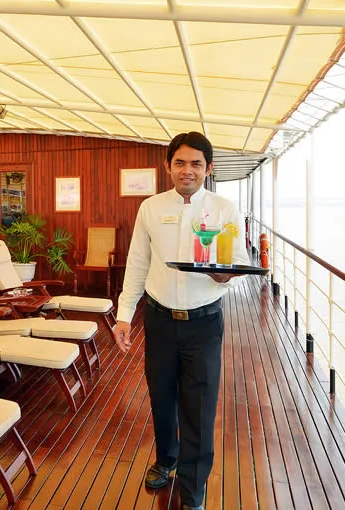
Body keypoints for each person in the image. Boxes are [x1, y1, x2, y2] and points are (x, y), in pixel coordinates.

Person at [113, 132, 249, 510]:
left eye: (196, 164)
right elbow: (137, 263)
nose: (187, 170)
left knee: (199, 406)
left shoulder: (223, 209)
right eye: (180, 162)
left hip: (204, 322)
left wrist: (224, 276)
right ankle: (166, 459)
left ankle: (193, 487)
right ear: (168, 166)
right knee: (161, 396)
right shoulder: (151, 208)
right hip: (159, 319)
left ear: (208, 168)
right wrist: (124, 316)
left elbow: (237, 262)